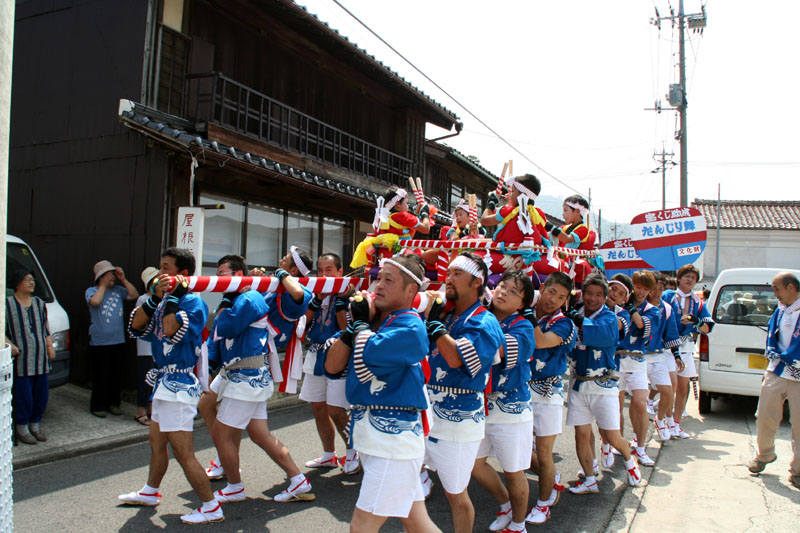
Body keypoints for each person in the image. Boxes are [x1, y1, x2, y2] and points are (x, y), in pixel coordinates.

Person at [324, 254, 440, 532]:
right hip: (379, 438)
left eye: (389, 280)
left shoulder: (411, 325)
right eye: (378, 278)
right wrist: (355, 327)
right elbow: (331, 366)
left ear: (411, 290)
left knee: (361, 526)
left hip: (392, 442)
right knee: (417, 524)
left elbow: (370, 353)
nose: (378, 286)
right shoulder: (376, 325)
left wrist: (362, 326)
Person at [118, 248, 222, 525]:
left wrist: (173, 298)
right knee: (157, 443)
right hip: (163, 383)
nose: (160, 273)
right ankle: (150, 491)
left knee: (183, 452)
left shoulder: (193, 304)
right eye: (159, 266)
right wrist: (155, 298)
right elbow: (136, 326)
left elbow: (169, 330)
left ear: (183, 274)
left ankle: (211, 506)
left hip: (180, 384)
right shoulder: (162, 301)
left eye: (166, 268)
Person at [205, 254, 313, 507]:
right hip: (240, 371)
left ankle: (234, 485)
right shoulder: (253, 292)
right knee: (259, 434)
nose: (219, 278)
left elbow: (226, 326)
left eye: (223, 273)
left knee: (222, 434)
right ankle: (299, 480)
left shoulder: (254, 296)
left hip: (246, 375)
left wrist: (232, 296)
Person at [422, 252, 504, 533]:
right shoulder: (446, 314)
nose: (448, 278)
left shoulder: (485, 321)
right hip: (426, 413)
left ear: (477, 281)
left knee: (456, 494)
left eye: (457, 273)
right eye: (449, 272)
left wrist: (433, 326)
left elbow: (458, 358)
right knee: (407, 484)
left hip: (458, 420)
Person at [565, 273, 642, 494]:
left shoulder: (612, 318)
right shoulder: (576, 313)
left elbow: (601, 336)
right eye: (589, 293)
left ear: (605, 296)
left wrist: (577, 320)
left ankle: (628, 458)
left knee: (611, 435)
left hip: (603, 385)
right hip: (578, 383)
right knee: (581, 432)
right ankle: (590, 478)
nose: (592, 298)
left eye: (598, 295)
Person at [471, 270, 535, 533]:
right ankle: (506, 504)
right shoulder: (480, 315)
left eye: (513, 291)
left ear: (521, 303)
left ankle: (519, 525)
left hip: (511, 407)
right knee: (475, 464)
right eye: (501, 286)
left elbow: (495, 350)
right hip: (480, 405)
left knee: (513, 470)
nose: (503, 291)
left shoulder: (523, 326)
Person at [524, 272, 577, 525]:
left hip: (547, 394)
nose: (554, 299)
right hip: (519, 391)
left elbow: (541, 341)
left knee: (544, 454)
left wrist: (523, 314)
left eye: (562, 297)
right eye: (552, 292)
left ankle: (543, 504)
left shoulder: (565, 324)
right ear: (542, 288)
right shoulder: (527, 310)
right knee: (519, 450)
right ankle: (551, 481)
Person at [299, 253, 358, 473]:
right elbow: (302, 325)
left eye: (329, 270)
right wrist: (316, 300)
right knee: (318, 407)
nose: (323, 275)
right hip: (316, 352)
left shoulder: (351, 293)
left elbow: (346, 330)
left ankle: (353, 451)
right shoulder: (314, 292)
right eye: (320, 270)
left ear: (340, 272)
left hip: (338, 355)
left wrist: (342, 300)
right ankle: (328, 454)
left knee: (337, 409)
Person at [748, 272, 800, 489]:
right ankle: (764, 454)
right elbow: (773, 336)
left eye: (776, 288)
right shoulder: (779, 311)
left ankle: (797, 470)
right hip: (776, 370)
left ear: (790, 287)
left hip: (797, 374)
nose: (774, 293)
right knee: (765, 416)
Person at [662, 264, 714, 438]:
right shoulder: (668, 296)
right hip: (667, 346)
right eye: (687, 276)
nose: (690, 279)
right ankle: (665, 421)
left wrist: (695, 321)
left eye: (693, 277)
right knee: (669, 387)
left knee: (683, 388)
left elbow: (708, 328)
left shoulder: (698, 302)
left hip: (686, 346)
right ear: (679, 278)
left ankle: (676, 423)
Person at [615, 270, 660, 466]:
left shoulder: (652, 310)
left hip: (637, 361)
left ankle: (640, 448)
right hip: (616, 360)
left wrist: (630, 309)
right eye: (638, 287)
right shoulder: (618, 304)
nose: (640, 292)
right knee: (615, 407)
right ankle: (615, 444)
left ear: (650, 291)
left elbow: (642, 326)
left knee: (640, 403)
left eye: (645, 288)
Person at [6, 269, 55, 444]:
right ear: (17, 282)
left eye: (33, 279)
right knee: (23, 396)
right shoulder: (7, 304)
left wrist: (50, 347)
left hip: (41, 358)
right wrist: (10, 344)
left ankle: (35, 426)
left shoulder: (40, 304)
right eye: (27, 279)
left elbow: (45, 328)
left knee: (41, 395)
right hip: (22, 361)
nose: (32, 282)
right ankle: (22, 428)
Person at [480, 174, 562, 278]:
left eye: (513, 191)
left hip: (510, 255)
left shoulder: (509, 210)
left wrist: (491, 202)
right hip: (534, 258)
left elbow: (484, 220)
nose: (510, 195)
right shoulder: (539, 213)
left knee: (473, 257)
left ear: (522, 195)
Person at [86, 260, 139, 417]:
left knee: (115, 375)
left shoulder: (118, 289)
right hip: (99, 342)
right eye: (110, 274)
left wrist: (123, 279)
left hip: (118, 340)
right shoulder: (91, 290)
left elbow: (134, 294)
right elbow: (95, 302)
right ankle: (98, 406)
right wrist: (102, 285)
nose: (113, 277)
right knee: (100, 375)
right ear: (101, 276)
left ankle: (114, 403)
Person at [351, 186, 432, 269]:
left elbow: (409, 237)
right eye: (406, 203)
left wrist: (417, 216)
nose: (408, 206)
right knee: (433, 254)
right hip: (402, 254)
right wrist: (425, 214)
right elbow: (426, 228)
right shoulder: (402, 216)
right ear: (398, 204)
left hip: (385, 257)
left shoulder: (382, 218)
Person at [644, 271, 683, 441]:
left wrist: (677, 355)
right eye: (653, 288)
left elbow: (671, 334)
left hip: (658, 356)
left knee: (668, 392)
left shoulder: (666, 309)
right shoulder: (640, 306)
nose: (657, 292)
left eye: (660, 289)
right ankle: (638, 439)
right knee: (639, 399)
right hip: (640, 356)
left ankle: (660, 421)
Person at [133, 267, 159, 425]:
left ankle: (151, 408)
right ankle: (140, 410)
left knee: (155, 378)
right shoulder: (143, 299)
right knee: (145, 379)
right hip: (145, 346)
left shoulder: (164, 300)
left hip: (158, 347)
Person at [551, 195, 596, 284]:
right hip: (561, 260)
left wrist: (552, 229)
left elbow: (568, 239)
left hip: (571, 264)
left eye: (566, 210)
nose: (563, 214)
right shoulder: (564, 227)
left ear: (577, 211)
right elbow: (551, 236)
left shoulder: (583, 229)